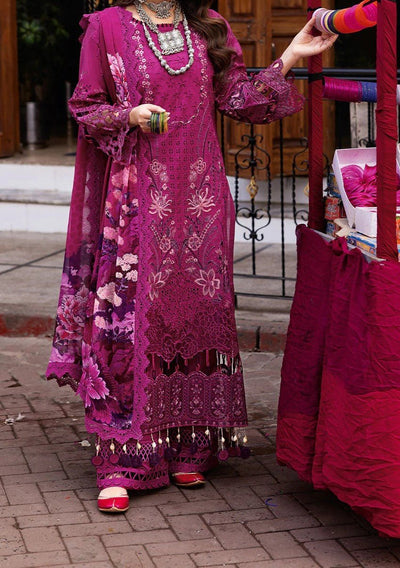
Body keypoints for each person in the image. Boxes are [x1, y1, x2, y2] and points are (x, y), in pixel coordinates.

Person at [46, 0, 336, 513]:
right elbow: (87, 108)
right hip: (136, 200)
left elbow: (239, 99)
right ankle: (121, 459)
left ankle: (188, 444)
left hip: (199, 199)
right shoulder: (107, 26)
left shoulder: (207, 24)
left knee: (197, 317)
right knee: (128, 321)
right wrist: (129, 115)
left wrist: (291, 53)